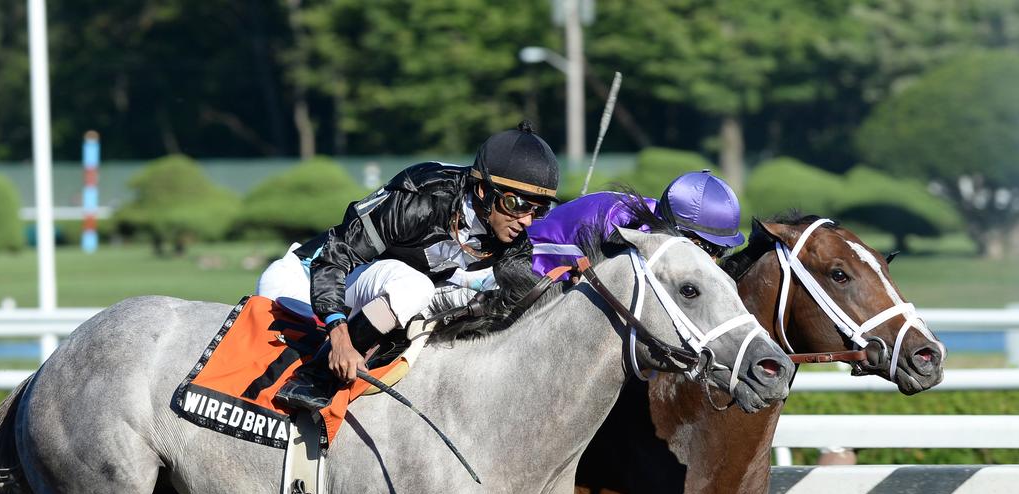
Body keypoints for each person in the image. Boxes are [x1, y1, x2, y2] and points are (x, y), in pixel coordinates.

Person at [260, 121, 559, 412]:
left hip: (367, 296)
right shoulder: (423, 198)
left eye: (538, 209)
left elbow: (526, 299)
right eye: (516, 204)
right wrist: (339, 338)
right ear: (483, 191)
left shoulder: (514, 238)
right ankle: (315, 379)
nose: (526, 220)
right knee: (416, 287)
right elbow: (332, 258)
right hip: (302, 280)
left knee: (480, 298)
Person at [527, 169, 745, 276]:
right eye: (708, 248)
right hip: (530, 257)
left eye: (720, 250)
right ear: (680, 231)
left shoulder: (661, 223)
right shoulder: (634, 232)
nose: (714, 261)